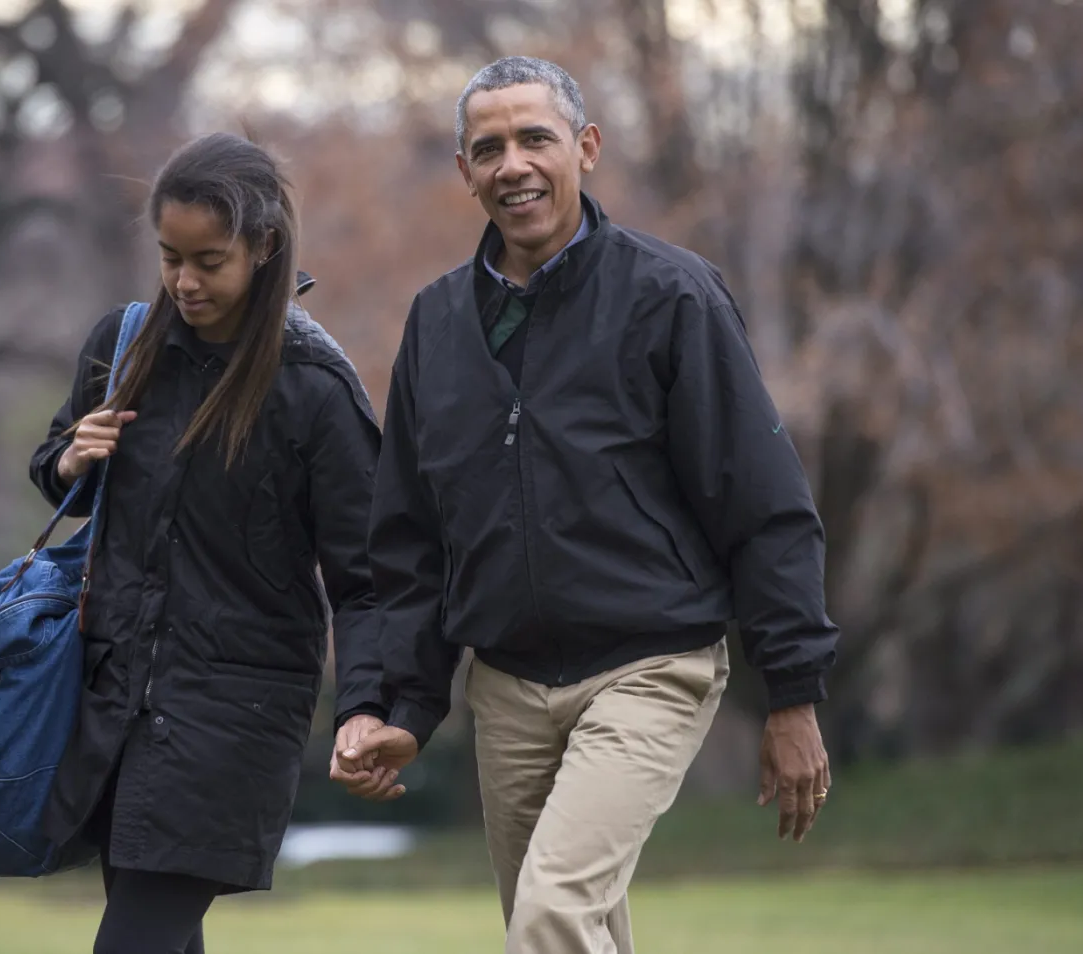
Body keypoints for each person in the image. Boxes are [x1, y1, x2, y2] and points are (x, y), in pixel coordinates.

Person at [334, 57, 840, 953]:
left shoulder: (671, 294)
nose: (513, 165)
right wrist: (398, 706)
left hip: (650, 665)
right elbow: (408, 542)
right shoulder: (439, 323)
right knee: (572, 928)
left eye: (536, 138)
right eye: (488, 148)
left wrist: (793, 695)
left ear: (587, 148)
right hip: (508, 686)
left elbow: (762, 502)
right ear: (465, 171)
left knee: (552, 916)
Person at [28, 133, 388, 954]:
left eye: (209, 260)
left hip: (234, 716)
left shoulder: (314, 388)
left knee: (133, 941)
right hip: (113, 700)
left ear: (263, 249)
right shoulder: (122, 348)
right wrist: (69, 457)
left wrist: (366, 704)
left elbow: (367, 576)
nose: (185, 282)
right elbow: (56, 473)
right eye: (169, 257)